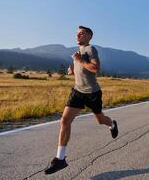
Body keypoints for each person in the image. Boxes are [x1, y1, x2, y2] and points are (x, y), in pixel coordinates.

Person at [45, 26, 118, 175]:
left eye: (82, 33)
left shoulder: (91, 49)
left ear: (89, 36)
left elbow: (95, 68)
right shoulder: (78, 52)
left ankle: (112, 124)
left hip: (93, 94)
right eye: (77, 33)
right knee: (65, 121)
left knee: (100, 120)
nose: (78, 35)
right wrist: (73, 70)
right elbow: (83, 70)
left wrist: (79, 60)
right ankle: (60, 159)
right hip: (78, 92)